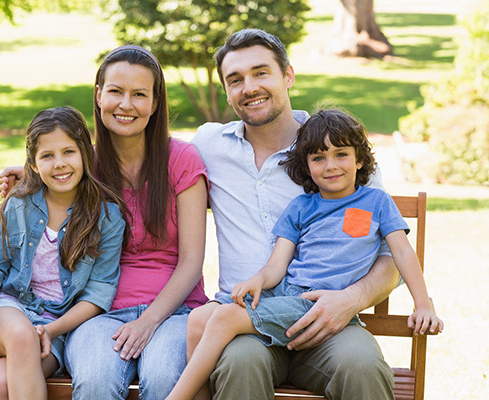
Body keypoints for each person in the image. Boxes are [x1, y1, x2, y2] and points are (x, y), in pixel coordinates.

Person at [0, 45, 209, 400]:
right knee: (96, 382)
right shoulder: (85, 165)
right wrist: (26, 180)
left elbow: (192, 261)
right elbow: (20, 206)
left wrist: (148, 322)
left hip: (174, 311)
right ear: (99, 96)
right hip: (96, 315)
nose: (125, 104)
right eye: (115, 91)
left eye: (139, 94)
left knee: (164, 379)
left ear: (155, 102)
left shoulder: (182, 160)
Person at [167, 108, 443, 400]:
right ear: (307, 165)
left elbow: (401, 252)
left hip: (324, 305)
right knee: (201, 319)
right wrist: (258, 281)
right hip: (289, 297)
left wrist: (423, 304)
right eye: (318, 158)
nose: (331, 165)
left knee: (223, 318)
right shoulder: (301, 207)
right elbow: (276, 266)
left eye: (341, 154)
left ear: (360, 159)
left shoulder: (376, 202)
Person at [189, 29, 401, 399]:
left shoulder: (335, 150)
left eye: (261, 72)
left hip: (328, 318)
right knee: (239, 364)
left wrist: (349, 299)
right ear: (226, 90)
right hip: (246, 321)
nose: (249, 87)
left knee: (362, 365)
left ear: (288, 75)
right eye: (235, 79)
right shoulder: (210, 146)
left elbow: (391, 257)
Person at [0, 106, 125, 400]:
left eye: (68, 152)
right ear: (33, 165)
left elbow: (98, 295)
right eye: (47, 156)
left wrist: (51, 330)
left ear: (86, 154)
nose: (60, 164)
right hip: (6, 312)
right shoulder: (20, 204)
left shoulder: (107, 219)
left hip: (56, 328)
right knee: (21, 336)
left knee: (2, 384)